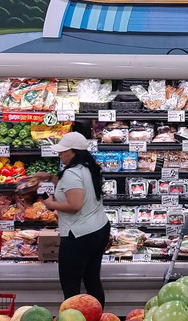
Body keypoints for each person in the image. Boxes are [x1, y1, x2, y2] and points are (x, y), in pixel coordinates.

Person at [38, 131, 111, 307]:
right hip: (99, 228)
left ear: (75, 153)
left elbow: (75, 204)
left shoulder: (71, 173)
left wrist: (50, 204)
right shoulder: (87, 167)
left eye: (64, 152)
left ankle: (73, 316)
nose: (60, 155)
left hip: (79, 234)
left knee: (70, 284)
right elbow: (73, 187)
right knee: (92, 278)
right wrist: (51, 178)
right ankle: (98, 316)